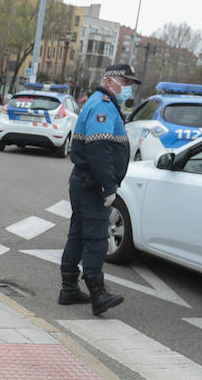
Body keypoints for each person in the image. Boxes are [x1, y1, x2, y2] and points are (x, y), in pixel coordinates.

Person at [58, 62, 141, 315]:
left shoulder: (103, 104)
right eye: (125, 83)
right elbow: (99, 149)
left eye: (130, 84)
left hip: (85, 182)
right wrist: (107, 187)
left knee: (78, 233)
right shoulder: (102, 106)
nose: (128, 88)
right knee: (95, 238)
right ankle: (98, 293)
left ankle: (69, 288)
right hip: (92, 184)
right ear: (109, 81)